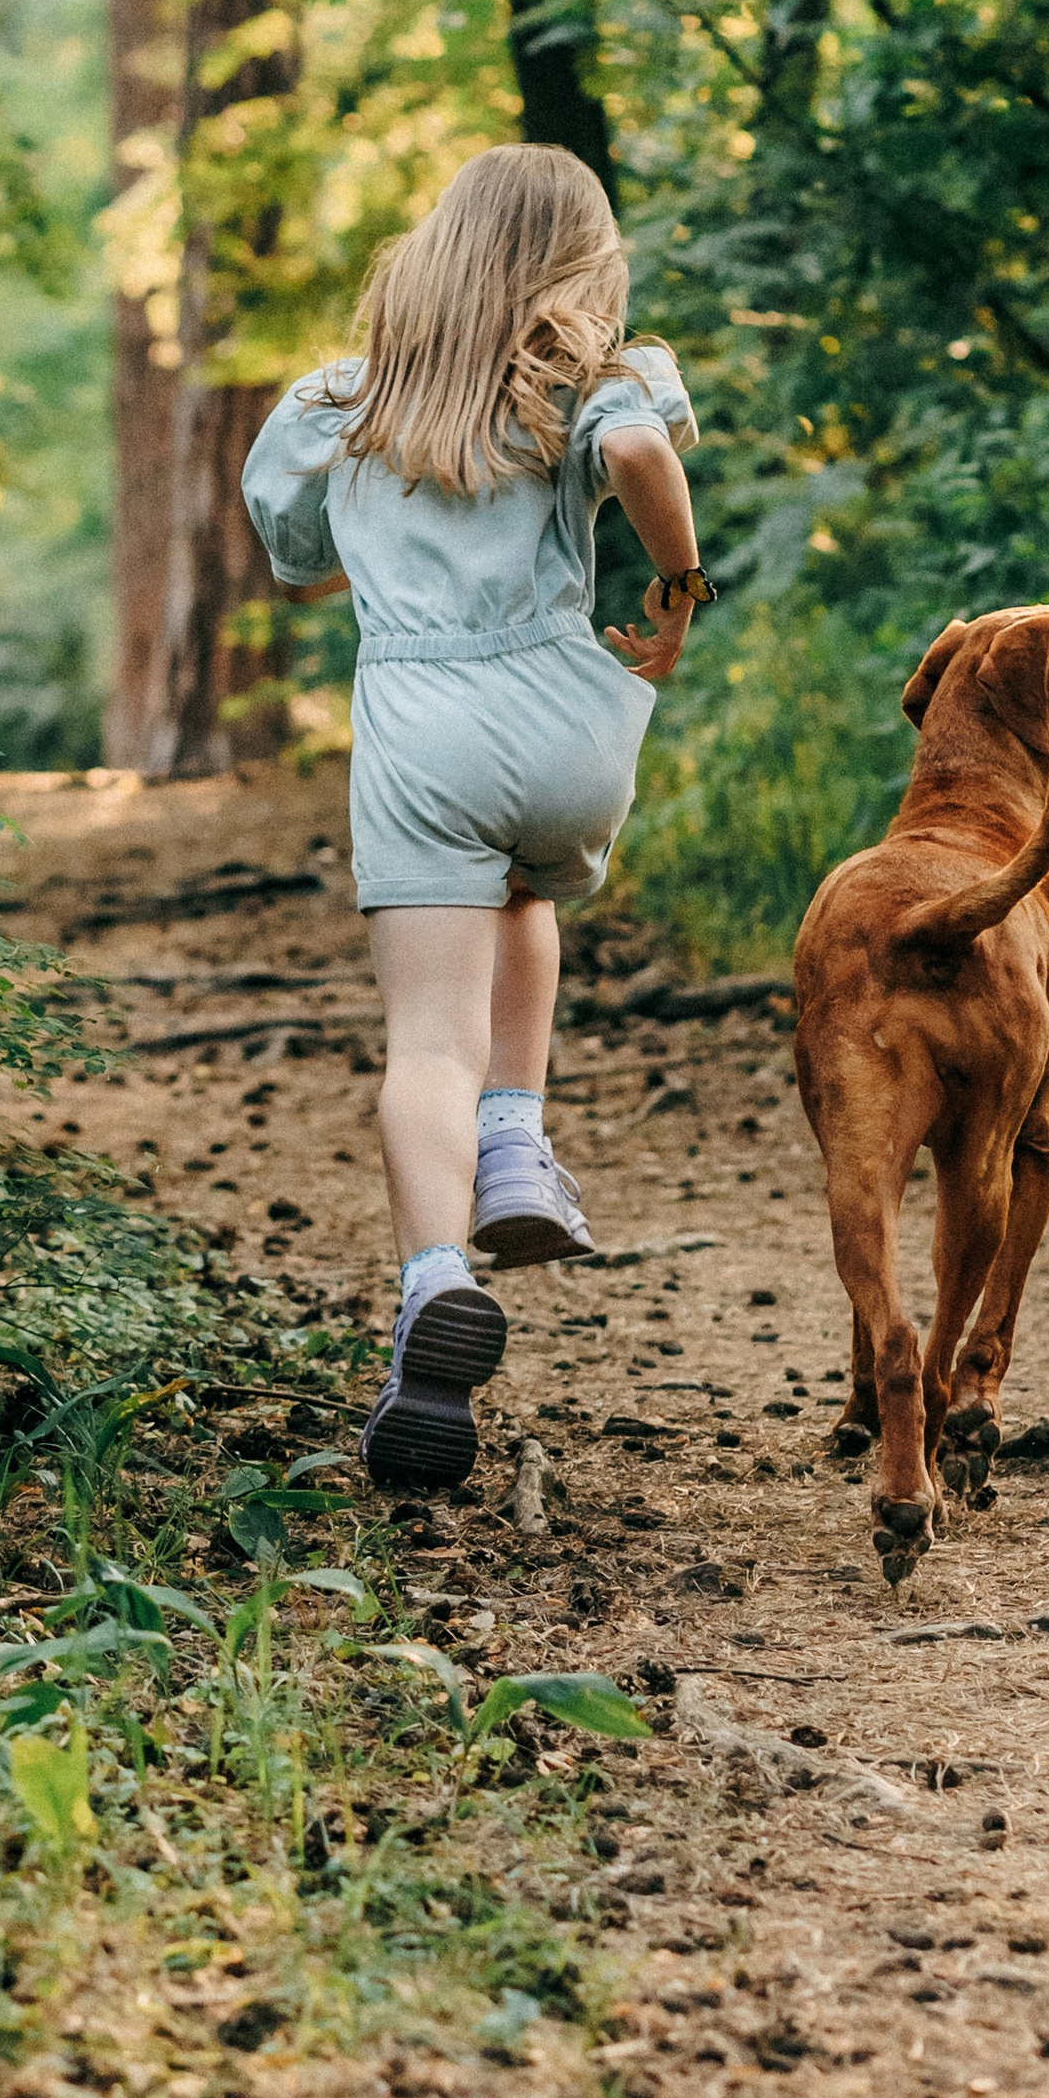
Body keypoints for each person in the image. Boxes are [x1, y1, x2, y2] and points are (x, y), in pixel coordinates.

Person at [239, 144, 709, 1492]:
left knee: (426, 1042)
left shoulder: (340, 400)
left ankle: (435, 1283)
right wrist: (679, 589)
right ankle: (519, 1137)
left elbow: (298, 567)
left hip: (422, 724)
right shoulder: (594, 380)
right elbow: (637, 453)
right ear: (582, 263)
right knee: (529, 887)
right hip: (568, 716)